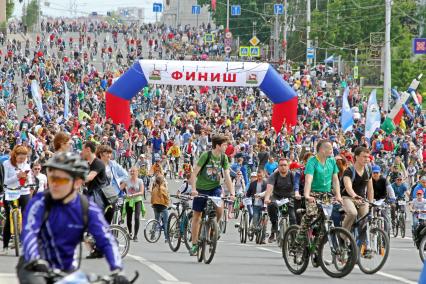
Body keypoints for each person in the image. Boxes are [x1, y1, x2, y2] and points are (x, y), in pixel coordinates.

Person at [17, 152, 129, 284]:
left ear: (77, 182)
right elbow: (29, 233)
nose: (54, 184)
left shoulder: (86, 207)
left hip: (67, 269)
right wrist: (36, 259)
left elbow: (106, 238)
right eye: (52, 178)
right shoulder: (39, 203)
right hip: (35, 266)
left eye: (61, 180)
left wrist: (118, 270)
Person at [189, 134, 235, 256]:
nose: (227, 147)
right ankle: (194, 244)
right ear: (218, 145)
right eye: (225, 144)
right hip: (201, 189)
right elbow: (194, 174)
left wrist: (232, 193)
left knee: (220, 209)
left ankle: (214, 227)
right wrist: (193, 189)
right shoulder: (206, 155)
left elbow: (227, 176)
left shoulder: (224, 158)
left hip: (215, 188)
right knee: (197, 216)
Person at [296, 140, 342, 245]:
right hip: (313, 194)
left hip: (326, 195)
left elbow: (335, 180)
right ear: (321, 150)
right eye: (329, 148)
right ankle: (299, 241)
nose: (332, 150)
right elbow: (308, 180)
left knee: (326, 220)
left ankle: (318, 246)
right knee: (311, 214)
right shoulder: (312, 161)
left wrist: (338, 195)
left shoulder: (332, 161)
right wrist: (307, 195)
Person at [2, 145, 33, 254]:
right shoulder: (6, 164)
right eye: (20, 158)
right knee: (8, 218)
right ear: (15, 155)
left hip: (23, 192)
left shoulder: (27, 165)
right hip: (10, 191)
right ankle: (5, 246)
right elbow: (5, 181)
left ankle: (23, 242)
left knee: (26, 217)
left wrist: (28, 179)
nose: (22, 160)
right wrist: (18, 176)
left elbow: (29, 180)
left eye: (24, 158)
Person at [81, 141, 108, 259]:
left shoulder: (98, 164)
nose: (81, 152)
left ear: (88, 150)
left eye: (83, 149)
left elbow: (89, 178)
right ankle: (97, 250)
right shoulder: (87, 164)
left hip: (99, 197)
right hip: (91, 195)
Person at [341, 147, 374, 232]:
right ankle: (343, 236)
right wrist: (354, 196)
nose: (366, 159)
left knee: (366, 217)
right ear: (356, 157)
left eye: (368, 157)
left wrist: (370, 203)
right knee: (352, 213)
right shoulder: (349, 171)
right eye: (364, 157)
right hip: (347, 197)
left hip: (362, 199)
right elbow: (348, 187)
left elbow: (370, 188)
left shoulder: (368, 169)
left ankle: (360, 241)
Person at [264, 158, 297, 243]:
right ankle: (274, 227)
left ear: (288, 166)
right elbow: (270, 187)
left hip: (289, 197)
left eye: (285, 165)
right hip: (277, 197)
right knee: (271, 205)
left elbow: (296, 187)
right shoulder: (273, 176)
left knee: (293, 217)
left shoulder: (292, 175)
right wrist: (267, 197)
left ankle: (293, 238)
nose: (283, 167)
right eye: (281, 165)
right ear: (278, 167)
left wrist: (297, 195)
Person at [121, 166, 145, 242]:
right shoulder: (127, 180)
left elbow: (141, 192)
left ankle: (135, 235)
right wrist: (123, 194)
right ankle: (130, 232)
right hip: (129, 200)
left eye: (133, 171)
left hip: (137, 200)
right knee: (129, 218)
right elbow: (120, 188)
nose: (132, 173)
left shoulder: (140, 181)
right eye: (131, 171)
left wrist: (133, 195)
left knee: (137, 217)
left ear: (137, 172)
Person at [150, 175, 170, 242]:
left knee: (156, 220)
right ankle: (166, 238)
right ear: (162, 181)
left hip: (155, 206)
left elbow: (152, 198)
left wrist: (152, 204)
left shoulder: (154, 189)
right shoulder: (163, 189)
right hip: (163, 206)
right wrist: (168, 204)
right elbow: (167, 198)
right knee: (166, 222)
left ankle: (152, 235)